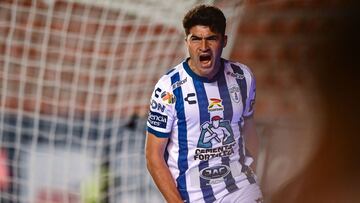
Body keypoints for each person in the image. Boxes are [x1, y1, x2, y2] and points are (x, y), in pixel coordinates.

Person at [145, 4, 263, 203]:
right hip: (192, 195)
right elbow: (153, 156)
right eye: (196, 39)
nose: (203, 47)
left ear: (224, 41)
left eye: (211, 38)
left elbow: (249, 130)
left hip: (240, 187)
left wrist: (253, 175)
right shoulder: (168, 89)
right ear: (187, 42)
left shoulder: (243, 77)